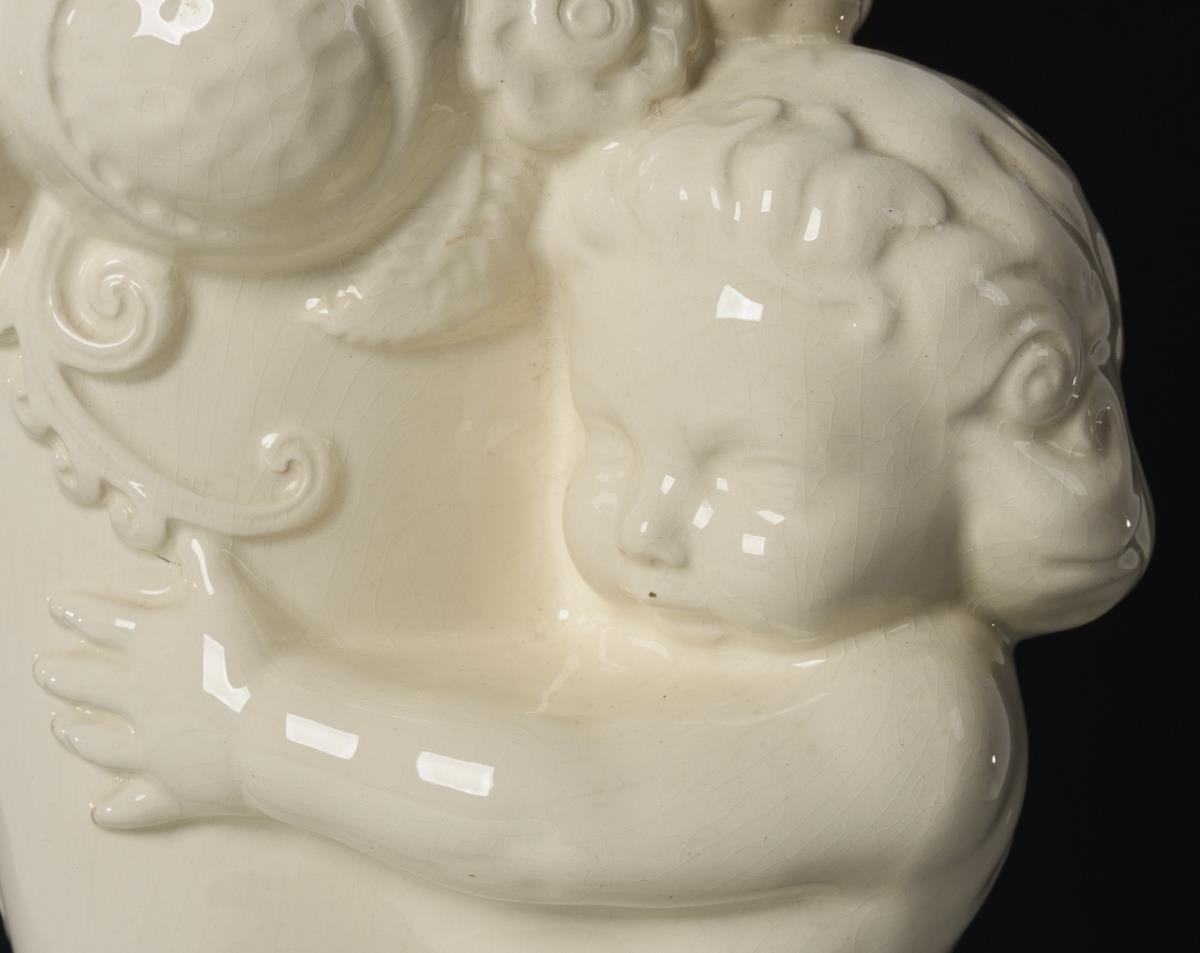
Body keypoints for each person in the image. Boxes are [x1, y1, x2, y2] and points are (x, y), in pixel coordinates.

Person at [32, 36, 1149, 953]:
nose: (648, 521)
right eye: (612, 438)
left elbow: (558, 811)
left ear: (974, 478)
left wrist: (256, 725)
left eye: (746, 473)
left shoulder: (916, 732)